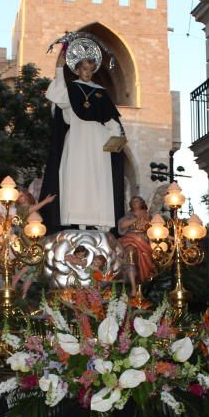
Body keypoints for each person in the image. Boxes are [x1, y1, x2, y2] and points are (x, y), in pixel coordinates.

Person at [39, 37, 126, 231]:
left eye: (90, 69)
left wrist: (116, 136)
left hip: (99, 140)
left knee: (98, 178)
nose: (87, 73)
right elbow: (56, 95)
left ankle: (98, 220)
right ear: (77, 69)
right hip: (78, 139)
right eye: (84, 69)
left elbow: (111, 118)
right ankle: (78, 221)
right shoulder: (70, 88)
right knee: (76, 176)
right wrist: (60, 67)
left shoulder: (101, 92)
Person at [117, 196, 155, 296]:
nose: (134, 203)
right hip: (130, 240)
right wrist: (136, 219)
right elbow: (122, 225)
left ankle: (140, 285)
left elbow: (154, 230)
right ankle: (133, 288)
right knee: (130, 253)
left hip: (144, 243)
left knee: (146, 264)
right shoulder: (129, 215)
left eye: (137, 201)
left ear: (142, 203)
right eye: (133, 201)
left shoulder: (148, 216)